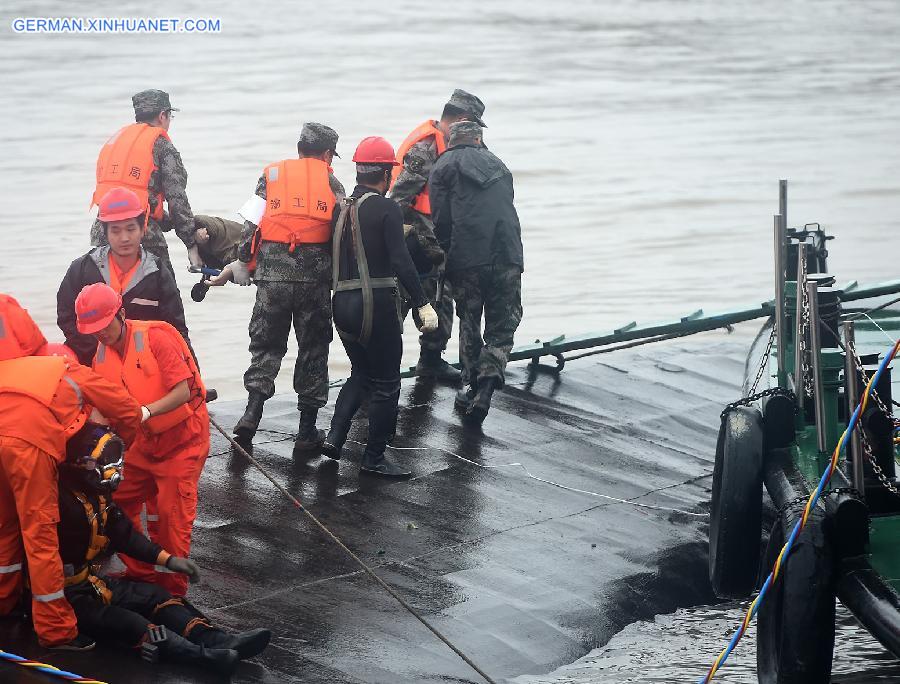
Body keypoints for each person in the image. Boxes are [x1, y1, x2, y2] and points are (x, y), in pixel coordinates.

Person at [56, 423, 270, 674]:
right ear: (81, 463)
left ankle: (215, 639)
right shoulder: (57, 501)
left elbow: (124, 535)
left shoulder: (96, 495)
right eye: (106, 460)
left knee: (157, 596)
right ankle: (201, 656)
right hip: (60, 597)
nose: (113, 467)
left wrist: (168, 560)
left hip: (87, 583)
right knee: (132, 622)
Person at [0, 295, 142, 651]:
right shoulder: (69, 371)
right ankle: (55, 629)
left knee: (3, 524)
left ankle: (4, 601)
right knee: (39, 533)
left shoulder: (13, 368)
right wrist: (121, 445)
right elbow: (127, 410)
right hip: (25, 442)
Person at [75, 283, 209, 597]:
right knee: (116, 502)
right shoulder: (101, 352)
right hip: (142, 445)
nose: (100, 334)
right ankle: (140, 573)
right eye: (92, 329)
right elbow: (102, 408)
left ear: (121, 314)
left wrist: (144, 412)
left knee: (171, 519)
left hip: (182, 443)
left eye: (104, 325)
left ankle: (172, 592)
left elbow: (184, 391)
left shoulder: (156, 337)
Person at [223, 123, 344, 452]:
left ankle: (251, 413)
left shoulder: (271, 176)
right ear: (327, 154)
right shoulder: (332, 182)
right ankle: (306, 430)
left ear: (299, 148)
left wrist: (244, 260)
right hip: (314, 281)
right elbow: (341, 233)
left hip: (271, 278)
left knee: (266, 346)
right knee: (313, 349)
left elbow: (252, 223)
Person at [324, 137, 438, 477]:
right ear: (387, 173)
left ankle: (334, 439)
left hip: (341, 305)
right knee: (387, 383)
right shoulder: (387, 209)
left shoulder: (338, 209)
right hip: (375, 305)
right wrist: (422, 303)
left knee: (361, 373)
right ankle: (373, 459)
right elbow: (401, 261)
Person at [389, 89, 488, 383]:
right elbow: (398, 199)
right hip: (418, 237)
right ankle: (386, 372)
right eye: (473, 125)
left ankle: (431, 360)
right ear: (462, 120)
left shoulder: (459, 144)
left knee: (441, 299)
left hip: (443, 235)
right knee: (413, 299)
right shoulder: (426, 149)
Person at [429, 121, 524, 424]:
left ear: (451, 141)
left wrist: (444, 258)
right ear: (479, 139)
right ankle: (486, 386)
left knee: (469, 321)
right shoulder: (499, 164)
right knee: (502, 325)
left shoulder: (442, 166)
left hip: (468, 258)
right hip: (508, 254)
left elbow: (441, 221)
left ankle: (471, 386)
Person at [59, 187, 192, 366]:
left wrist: (194, 378)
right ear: (104, 232)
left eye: (131, 229)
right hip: (92, 361)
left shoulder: (157, 272)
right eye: (115, 231)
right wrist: (100, 349)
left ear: (143, 228)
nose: (124, 238)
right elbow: (66, 316)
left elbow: (176, 328)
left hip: (145, 362)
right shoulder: (82, 269)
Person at [89, 89, 200, 272]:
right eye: (170, 116)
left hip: (104, 233)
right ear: (162, 116)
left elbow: (135, 194)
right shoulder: (162, 146)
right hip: (142, 234)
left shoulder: (116, 142)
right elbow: (177, 199)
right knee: (164, 296)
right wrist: (191, 244)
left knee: (108, 295)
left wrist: (166, 220)